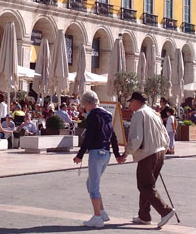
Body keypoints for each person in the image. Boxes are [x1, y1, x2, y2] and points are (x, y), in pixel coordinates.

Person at [74, 90, 124, 228]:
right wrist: (117, 155)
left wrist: (80, 155)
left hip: (96, 153)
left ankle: (97, 217)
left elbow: (88, 137)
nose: (85, 108)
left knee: (93, 187)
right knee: (91, 183)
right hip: (106, 153)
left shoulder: (92, 116)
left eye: (85, 105)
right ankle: (102, 212)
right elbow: (113, 136)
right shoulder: (107, 115)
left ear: (88, 103)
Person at [125, 92, 175, 227]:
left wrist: (126, 152)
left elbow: (136, 138)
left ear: (136, 101)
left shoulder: (138, 114)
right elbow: (164, 133)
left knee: (144, 186)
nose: (130, 105)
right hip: (159, 152)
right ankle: (144, 215)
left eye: (131, 102)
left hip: (148, 154)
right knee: (148, 185)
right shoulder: (154, 113)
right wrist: (164, 149)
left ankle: (166, 211)